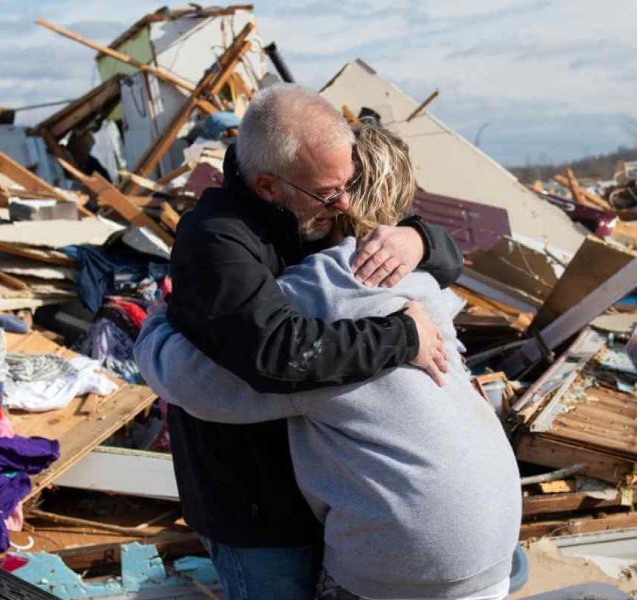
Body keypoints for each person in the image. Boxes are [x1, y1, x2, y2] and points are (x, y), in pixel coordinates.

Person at [136, 125, 522, 599]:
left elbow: (197, 382)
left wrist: (157, 323)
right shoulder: (419, 278)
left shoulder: (323, 290)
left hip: (408, 555)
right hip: (492, 535)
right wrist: (419, 241)